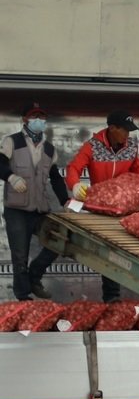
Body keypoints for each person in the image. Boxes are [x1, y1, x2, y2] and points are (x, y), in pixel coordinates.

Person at [67, 110, 139, 301]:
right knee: (106, 248)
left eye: (130, 131)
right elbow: (74, 168)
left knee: (122, 249)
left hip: (123, 206)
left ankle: (120, 295)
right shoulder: (93, 146)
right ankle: (112, 296)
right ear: (112, 128)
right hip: (101, 205)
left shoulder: (131, 147)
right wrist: (75, 185)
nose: (128, 134)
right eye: (125, 130)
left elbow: (138, 173)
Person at [1, 103, 69, 300]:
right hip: (17, 210)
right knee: (19, 255)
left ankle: (34, 275)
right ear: (25, 119)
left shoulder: (49, 149)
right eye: (34, 116)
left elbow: (55, 178)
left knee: (57, 241)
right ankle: (23, 296)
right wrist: (11, 177)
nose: (39, 120)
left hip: (40, 209)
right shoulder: (11, 142)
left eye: (41, 116)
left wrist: (65, 200)